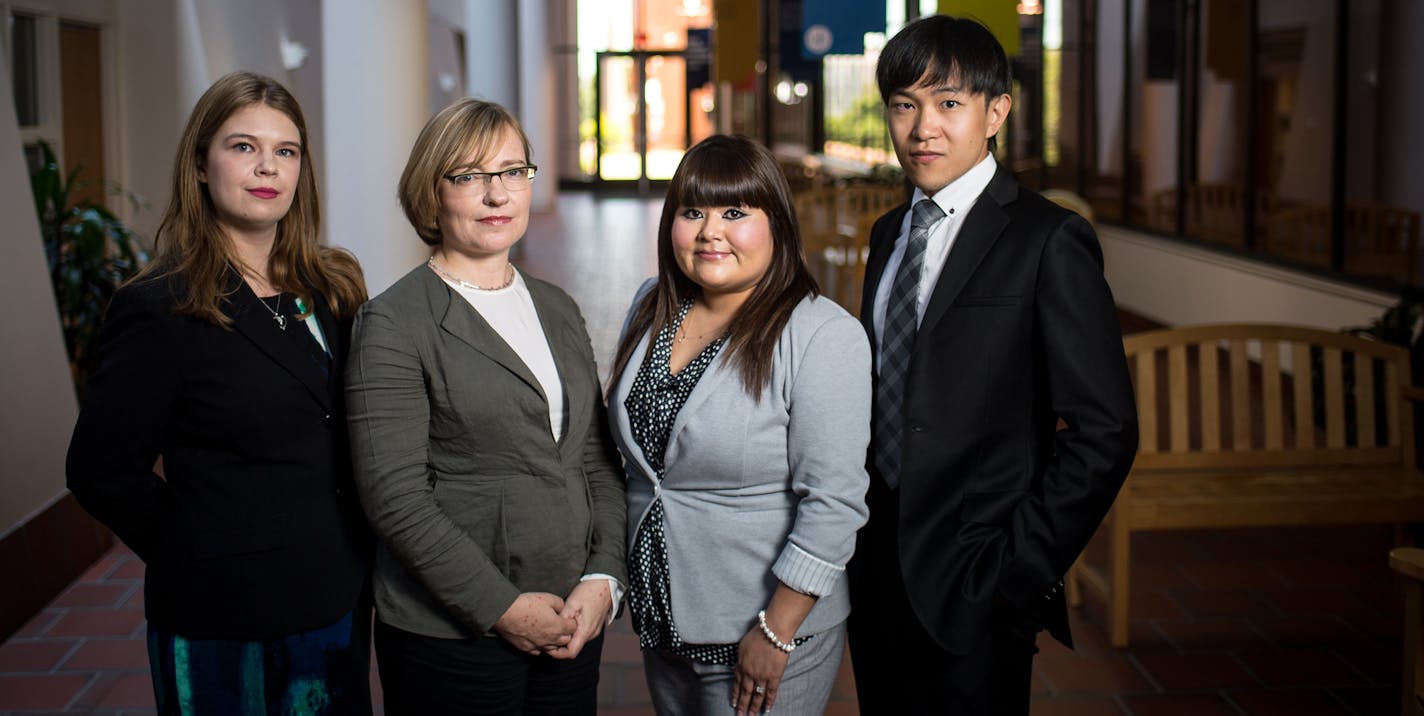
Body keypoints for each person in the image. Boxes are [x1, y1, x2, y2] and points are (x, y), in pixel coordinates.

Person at [846, 14, 1139, 715]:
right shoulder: (889, 233)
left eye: (949, 104)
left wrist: (1016, 570)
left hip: (977, 575)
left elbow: (1104, 430)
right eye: (904, 105)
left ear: (996, 111)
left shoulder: (1048, 239)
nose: (923, 129)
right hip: (875, 564)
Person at [66, 71, 372, 714]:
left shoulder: (332, 287)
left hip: (335, 598)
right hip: (224, 617)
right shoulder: (161, 306)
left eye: (285, 151)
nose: (268, 166)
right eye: (243, 147)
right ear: (201, 165)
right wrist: (200, 549)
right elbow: (99, 470)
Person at [345, 98, 626, 716]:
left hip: (571, 619)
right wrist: (501, 608)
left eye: (511, 171)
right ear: (431, 193)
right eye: (470, 176)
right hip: (452, 634)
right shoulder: (393, 321)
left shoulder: (557, 306)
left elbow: (595, 458)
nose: (497, 195)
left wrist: (603, 579)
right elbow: (394, 498)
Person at [607, 134, 871, 716]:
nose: (710, 232)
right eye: (692, 212)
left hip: (763, 635)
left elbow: (834, 503)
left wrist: (776, 631)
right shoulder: (653, 304)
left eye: (735, 212)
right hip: (666, 621)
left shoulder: (822, 336)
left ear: (776, 222)